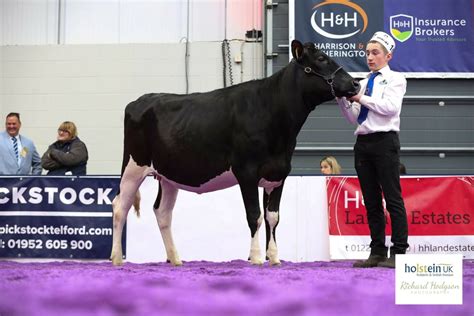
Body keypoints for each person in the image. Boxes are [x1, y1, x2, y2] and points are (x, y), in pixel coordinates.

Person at [336, 31, 408, 268]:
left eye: (375, 52)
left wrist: (358, 97)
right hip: (364, 144)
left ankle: (398, 252)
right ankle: (377, 250)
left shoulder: (396, 79)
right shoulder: (364, 82)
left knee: (393, 198)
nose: (370, 57)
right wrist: (343, 100)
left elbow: (389, 108)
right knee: (371, 201)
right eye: (367, 52)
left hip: (385, 142)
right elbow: (353, 119)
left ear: (388, 55)